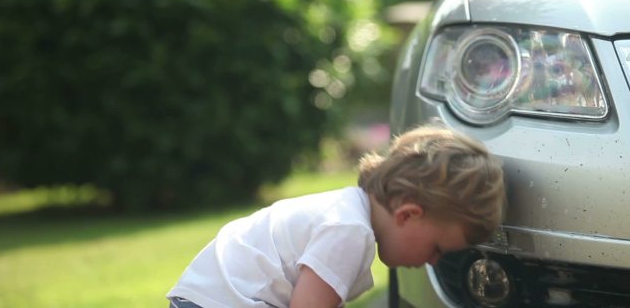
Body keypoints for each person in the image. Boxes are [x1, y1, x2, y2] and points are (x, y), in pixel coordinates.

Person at [166, 123, 506, 308]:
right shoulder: (349, 230)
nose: (433, 261)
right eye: (437, 247)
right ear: (408, 214)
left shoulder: (343, 210)